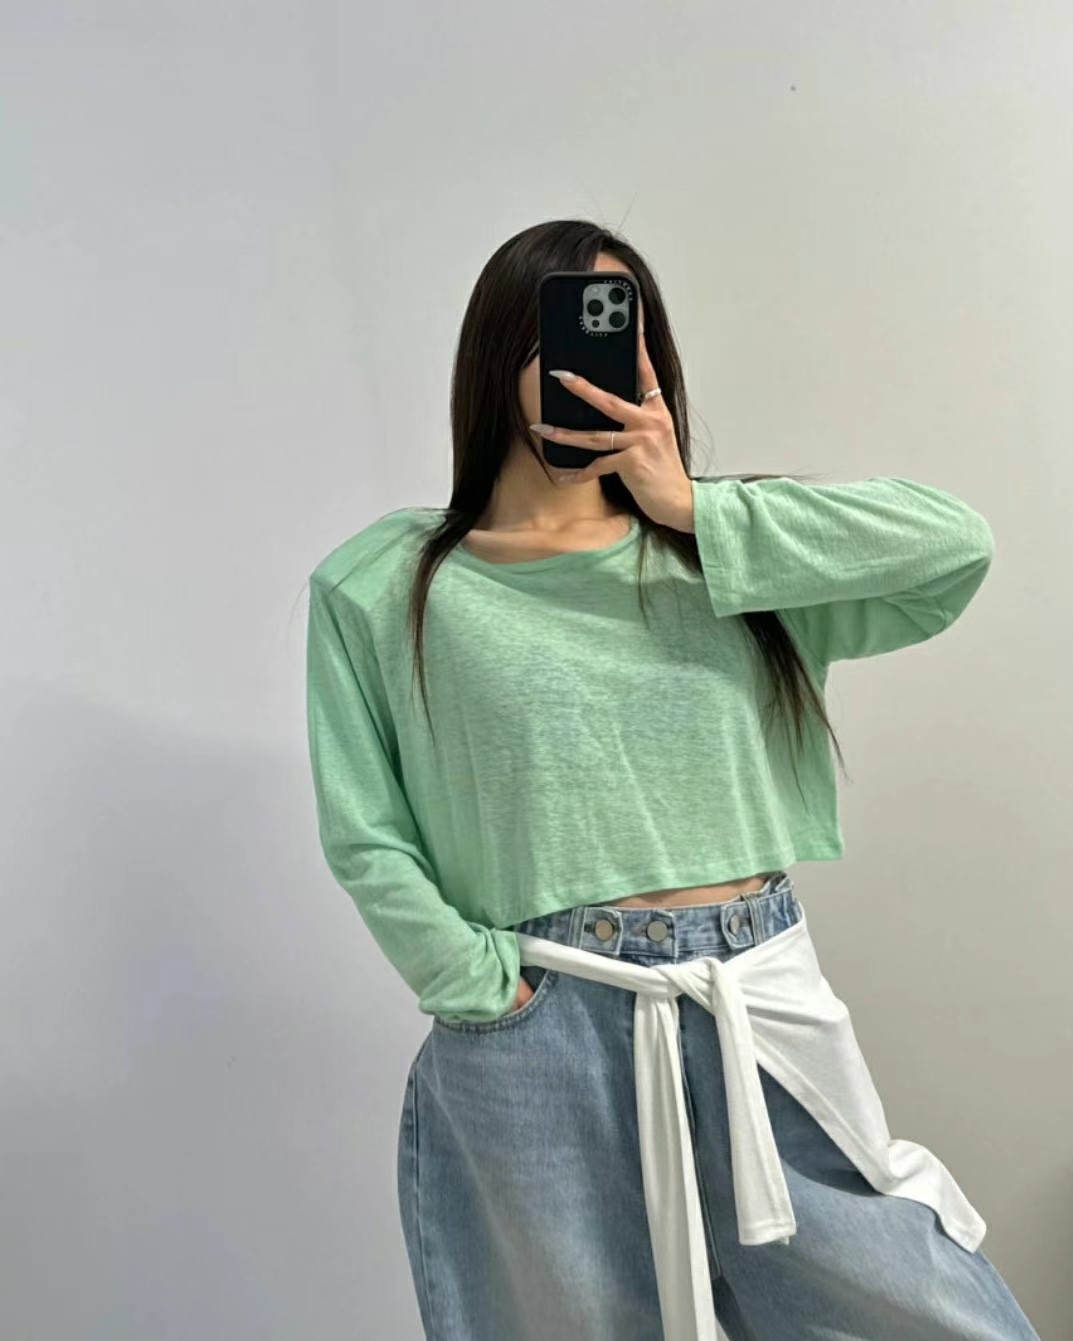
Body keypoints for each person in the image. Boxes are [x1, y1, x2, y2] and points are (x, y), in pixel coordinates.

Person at [304, 222, 1041, 1340]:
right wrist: (478, 987)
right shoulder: (389, 586)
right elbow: (366, 830)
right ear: (499, 354)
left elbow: (955, 547)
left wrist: (693, 504)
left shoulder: (731, 556)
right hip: (543, 1015)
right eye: (565, 328)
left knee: (922, 1307)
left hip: (753, 993)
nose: (596, 357)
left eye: (623, 329)